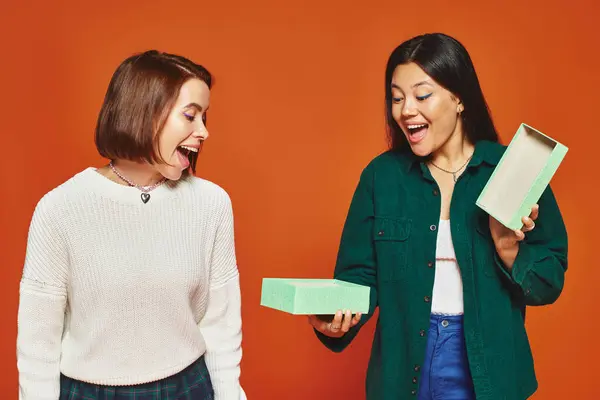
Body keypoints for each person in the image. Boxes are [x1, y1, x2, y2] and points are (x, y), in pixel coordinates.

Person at [308, 33, 568, 400]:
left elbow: (549, 279)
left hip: (489, 370)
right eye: (396, 98)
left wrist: (508, 249)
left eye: (421, 95)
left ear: (458, 98)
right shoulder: (381, 177)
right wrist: (334, 322)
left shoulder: (512, 171)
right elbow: (359, 277)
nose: (405, 110)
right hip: (402, 371)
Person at [17, 50, 245, 400]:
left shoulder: (212, 204)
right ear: (144, 112)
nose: (203, 132)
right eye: (190, 116)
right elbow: (37, 345)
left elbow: (221, 326)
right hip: (88, 393)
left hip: (187, 388)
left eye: (205, 118)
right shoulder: (60, 210)